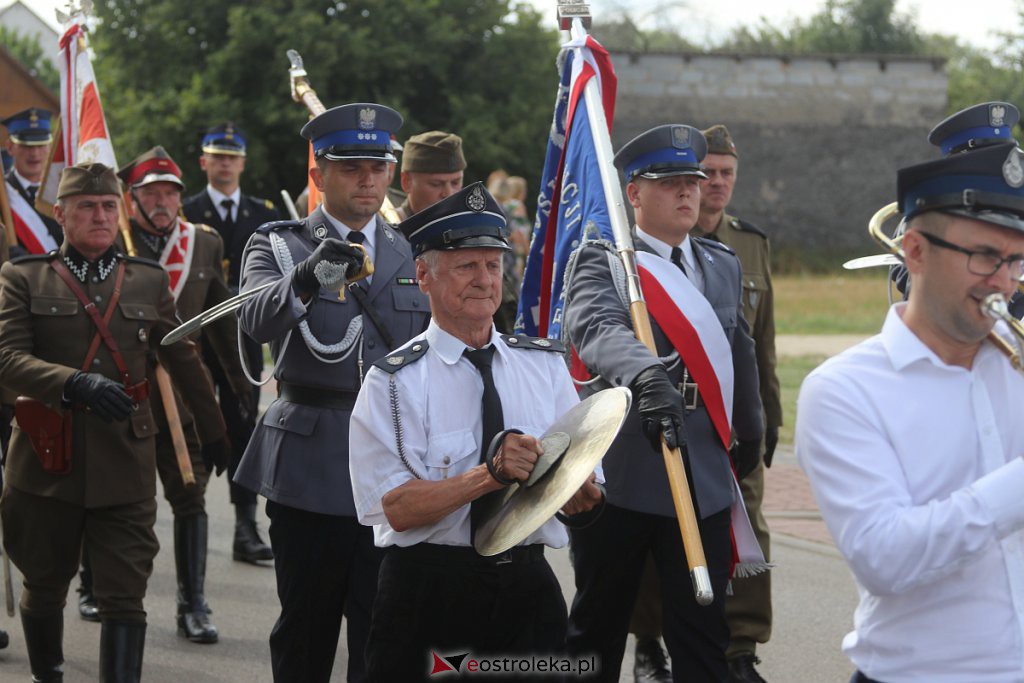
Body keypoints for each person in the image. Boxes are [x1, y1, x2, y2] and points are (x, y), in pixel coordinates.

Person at [797, 120, 1024, 683]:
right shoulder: (844, 390)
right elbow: (885, 557)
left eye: (1018, 261)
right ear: (915, 251)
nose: (1005, 283)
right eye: (985, 257)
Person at [349, 181, 603, 681]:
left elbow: (583, 477)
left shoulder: (544, 367)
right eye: (466, 266)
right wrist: (488, 475)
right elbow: (395, 509)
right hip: (429, 593)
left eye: (492, 265)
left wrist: (582, 496)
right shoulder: (394, 383)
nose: (484, 279)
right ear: (423, 275)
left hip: (527, 588)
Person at [0, 162, 225, 682]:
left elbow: (182, 358)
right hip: (44, 460)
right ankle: (48, 673)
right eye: (86, 206)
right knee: (45, 582)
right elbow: (7, 358)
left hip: (126, 460)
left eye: (108, 206)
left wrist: (215, 432)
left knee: (126, 593)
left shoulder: (147, 280)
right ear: (61, 214)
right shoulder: (23, 277)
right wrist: (72, 384)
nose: (99, 215)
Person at [233, 102, 430, 683]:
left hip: (397, 465)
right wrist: (311, 274)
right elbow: (257, 319)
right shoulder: (280, 244)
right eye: (350, 167)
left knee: (383, 633)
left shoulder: (412, 251)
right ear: (318, 174)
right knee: (306, 630)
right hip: (312, 465)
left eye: (378, 166)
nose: (368, 179)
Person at [563, 124, 764, 683]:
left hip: (699, 466)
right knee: (597, 630)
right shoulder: (604, 261)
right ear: (633, 193)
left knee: (702, 633)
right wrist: (647, 374)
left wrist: (749, 428)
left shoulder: (720, 262)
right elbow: (596, 328)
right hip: (623, 466)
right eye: (668, 181)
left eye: (692, 181)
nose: (686, 192)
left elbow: (737, 348)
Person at [694, 124, 780, 683]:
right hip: (681, 411)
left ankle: (742, 647)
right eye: (709, 174)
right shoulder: (651, 245)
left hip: (738, 416)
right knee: (670, 527)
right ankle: (654, 640)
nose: (719, 184)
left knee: (749, 523)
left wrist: (771, 415)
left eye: (728, 174)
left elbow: (764, 339)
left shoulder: (750, 243)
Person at [183, 123, 279, 564]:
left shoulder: (262, 214)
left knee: (243, 431)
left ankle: (245, 525)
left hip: (242, 341)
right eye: (216, 156)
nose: (224, 164)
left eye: (231, 157)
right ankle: (190, 519)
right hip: (197, 343)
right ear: (203, 162)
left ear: (242, 163)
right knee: (196, 430)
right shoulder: (186, 212)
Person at [1, 108, 63, 255]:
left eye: (41, 145)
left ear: (50, 146)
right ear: (10, 147)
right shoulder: (3, 194)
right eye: (26, 146)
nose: (34, 153)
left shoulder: (63, 190)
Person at [393, 130, 465, 221]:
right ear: (406, 181)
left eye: (455, 182)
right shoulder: (387, 230)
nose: (449, 194)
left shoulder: (470, 228)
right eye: (436, 184)